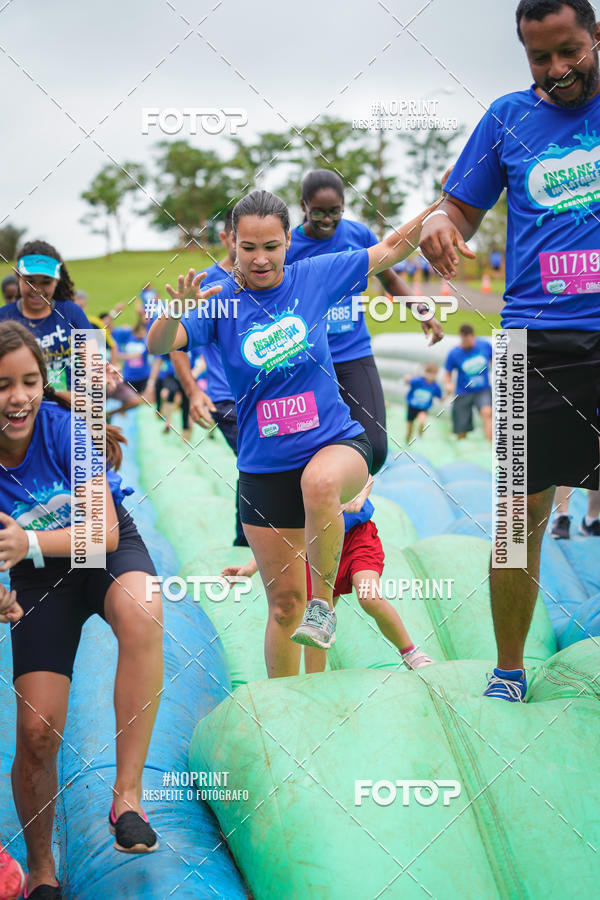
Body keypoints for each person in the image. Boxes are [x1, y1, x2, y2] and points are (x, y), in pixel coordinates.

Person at [148, 188, 442, 677]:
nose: (260, 259)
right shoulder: (219, 300)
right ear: (232, 245)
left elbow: (390, 248)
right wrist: (171, 312)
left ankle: (322, 608)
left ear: (289, 240)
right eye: (248, 248)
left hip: (336, 443)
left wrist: (443, 204)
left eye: (271, 246)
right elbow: (161, 343)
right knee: (284, 607)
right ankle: (290, 713)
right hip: (263, 471)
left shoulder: (316, 277)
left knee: (320, 486)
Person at [420, 0, 600, 701]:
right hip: (532, 343)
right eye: (539, 58)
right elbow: (457, 208)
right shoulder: (506, 119)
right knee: (519, 514)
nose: (555, 71)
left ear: (595, 37)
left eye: (569, 52)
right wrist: (440, 222)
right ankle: (509, 669)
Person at [0, 322, 163, 897]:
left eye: (29, 382)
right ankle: (43, 872)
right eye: (2, 385)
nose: (17, 397)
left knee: (145, 606)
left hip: (101, 555)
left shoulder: (65, 429)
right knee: (37, 733)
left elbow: (104, 533)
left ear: (44, 385)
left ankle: (127, 798)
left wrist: (31, 544)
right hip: (40, 578)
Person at [285, 169, 444, 475]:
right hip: (310, 360)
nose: (328, 219)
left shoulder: (358, 236)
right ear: (303, 205)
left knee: (376, 447)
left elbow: (390, 278)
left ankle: (346, 503)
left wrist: (422, 311)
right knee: (308, 446)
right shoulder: (290, 247)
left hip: (354, 353)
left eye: (335, 211)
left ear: (344, 205)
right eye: (318, 212)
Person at [222, 481, 435, 672]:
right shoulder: (285, 477)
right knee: (315, 619)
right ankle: (316, 680)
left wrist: (359, 496)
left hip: (356, 539)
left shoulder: (332, 452)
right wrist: (250, 568)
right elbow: (278, 535)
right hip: (317, 550)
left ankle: (410, 652)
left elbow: (367, 474)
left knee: (369, 597)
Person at [169, 210, 248, 544]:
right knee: (258, 461)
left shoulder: (269, 278)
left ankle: (251, 539)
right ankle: (247, 541)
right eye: (244, 242)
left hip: (267, 395)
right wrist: (192, 392)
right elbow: (174, 343)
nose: (254, 253)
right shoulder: (205, 284)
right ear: (227, 239)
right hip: (225, 397)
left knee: (263, 465)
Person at [0, 242, 94, 397]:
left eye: (46, 281)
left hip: (69, 410)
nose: (37, 289)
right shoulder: (3, 318)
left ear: (57, 281)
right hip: (20, 409)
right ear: (18, 277)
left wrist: (102, 377)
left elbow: (92, 367)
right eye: (29, 280)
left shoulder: (73, 312)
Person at [444, 324, 493, 441]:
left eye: (468, 340)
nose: (466, 343)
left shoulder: (485, 346)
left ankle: (492, 449)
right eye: (463, 340)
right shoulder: (454, 353)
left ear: (473, 336)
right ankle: (462, 452)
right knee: (461, 430)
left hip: (482, 389)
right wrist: (448, 384)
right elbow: (447, 374)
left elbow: (495, 360)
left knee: (487, 413)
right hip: (463, 392)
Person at [405, 363, 443, 442]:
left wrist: (449, 393)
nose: (430, 376)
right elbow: (408, 381)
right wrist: (407, 379)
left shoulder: (435, 386)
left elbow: (440, 398)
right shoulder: (418, 381)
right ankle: (407, 441)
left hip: (423, 409)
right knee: (410, 428)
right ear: (425, 373)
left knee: (422, 421)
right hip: (412, 407)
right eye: (429, 373)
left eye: (433, 374)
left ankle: (419, 436)